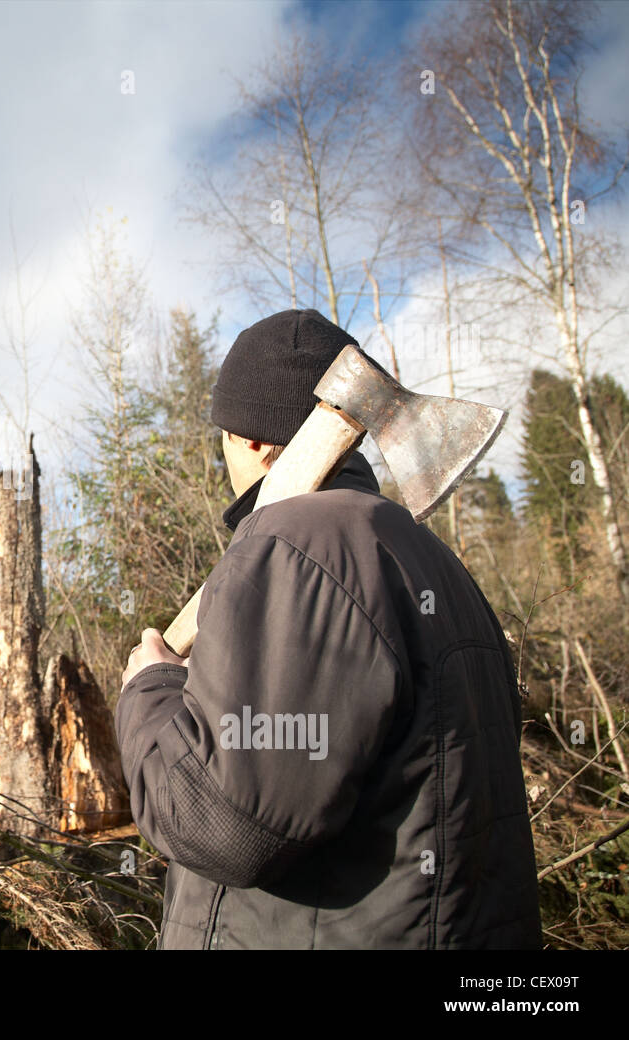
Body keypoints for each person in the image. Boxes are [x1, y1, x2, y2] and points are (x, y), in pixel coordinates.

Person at [115, 308, 541, 949]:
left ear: (253, 441)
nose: (224, 456)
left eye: (224, 438)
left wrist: (149, 690)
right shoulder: (431, 562)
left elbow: (220, 825)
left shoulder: (296, 546)